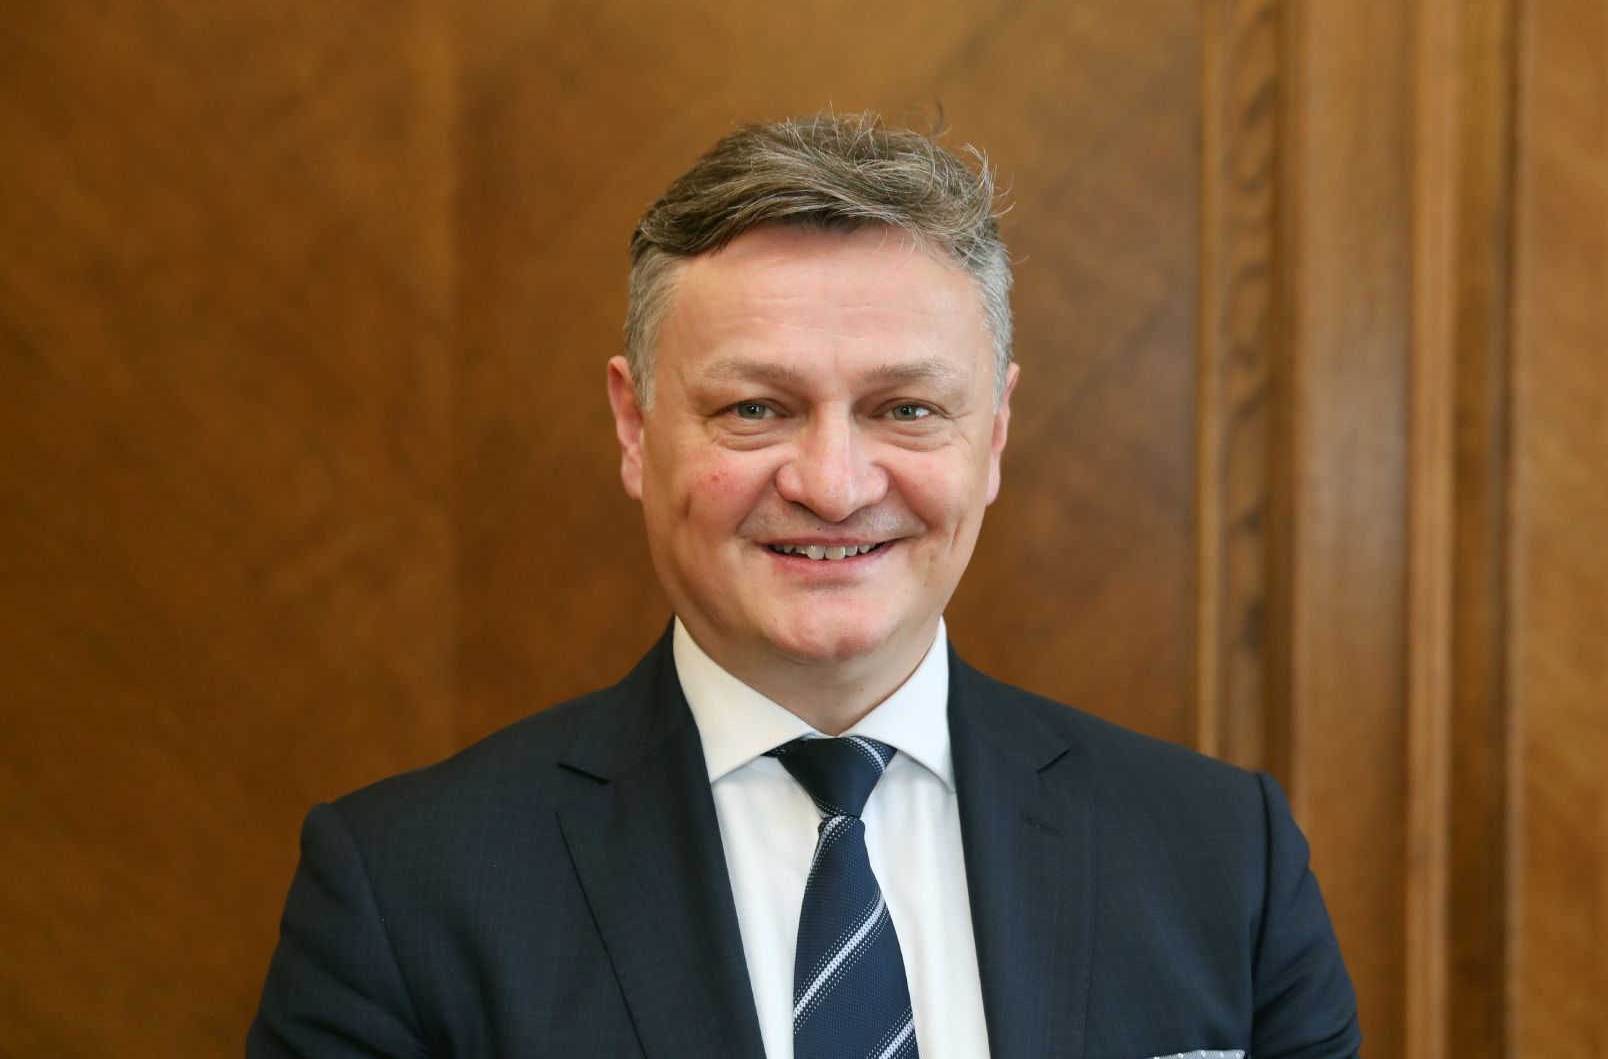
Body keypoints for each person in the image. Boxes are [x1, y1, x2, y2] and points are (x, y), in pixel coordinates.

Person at [248, 111, 1360, 1058]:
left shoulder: (1225, 860)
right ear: (635, 428)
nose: (833, 486)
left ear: (997, 432)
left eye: (906, 410)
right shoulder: (402, 892)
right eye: (755, 409)